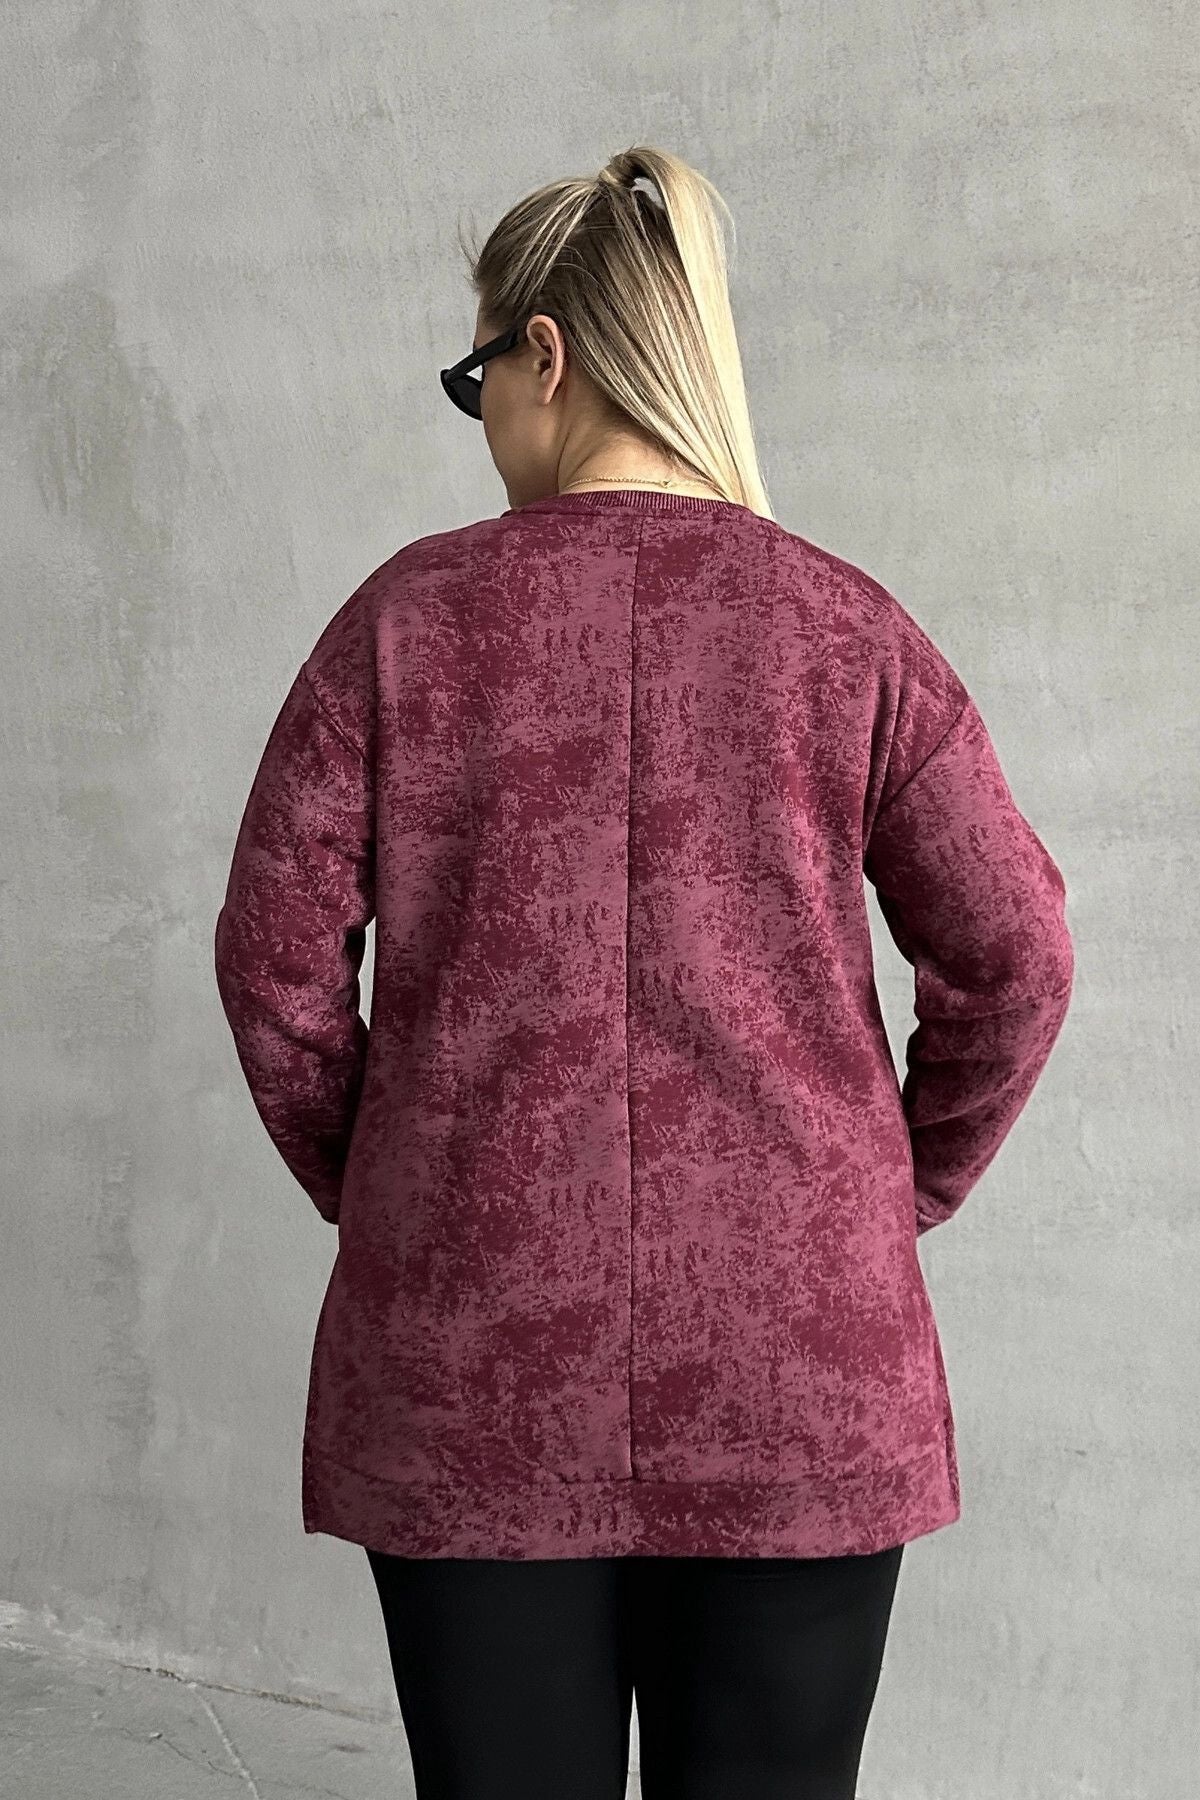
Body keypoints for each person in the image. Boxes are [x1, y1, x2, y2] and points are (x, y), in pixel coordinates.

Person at [213, 144, 1075, 1799]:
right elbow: (1018, 956)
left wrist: (397, 1186)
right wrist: (883, 1189)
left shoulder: (401, 625)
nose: (481, 417)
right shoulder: (849, 631)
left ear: (545, 355)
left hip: (472, 1358)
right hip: (800, 1367)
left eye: (477, 375)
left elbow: (274, 969)